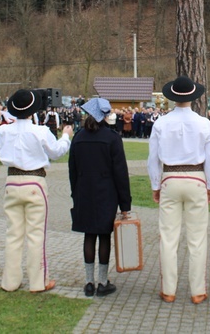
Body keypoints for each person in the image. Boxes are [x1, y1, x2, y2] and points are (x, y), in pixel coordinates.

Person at [148, 76, 210, 304]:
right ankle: (197, 290)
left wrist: (155, 184)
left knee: (168, 238)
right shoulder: (204, 123)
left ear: (172, 97)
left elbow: (152, 159)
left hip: (170, 177)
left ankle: (169, 289)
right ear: (193, 97)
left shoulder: (160, 123)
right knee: (197, 238)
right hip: (196, 178)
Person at [0, 89, 73, 293]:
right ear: (32, 111)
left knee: (13, 233)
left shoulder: (4, 131)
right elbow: (56, 152)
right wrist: (66, 136)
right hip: (34, 181)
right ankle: (38, 281)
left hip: (12, 180)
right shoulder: (40, 131)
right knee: (36, 234)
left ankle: (10, 281)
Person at [68, 98, 131, 297]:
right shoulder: (112, 138)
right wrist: (125, 204)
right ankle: (103, 282)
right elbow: (121, 173)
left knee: (89, 235)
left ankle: (89, 282)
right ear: (104, 115)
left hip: (84, 191)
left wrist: (75, 193)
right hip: (107, 192)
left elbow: (72, 170)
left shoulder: (78, 137)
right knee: (104, 236)